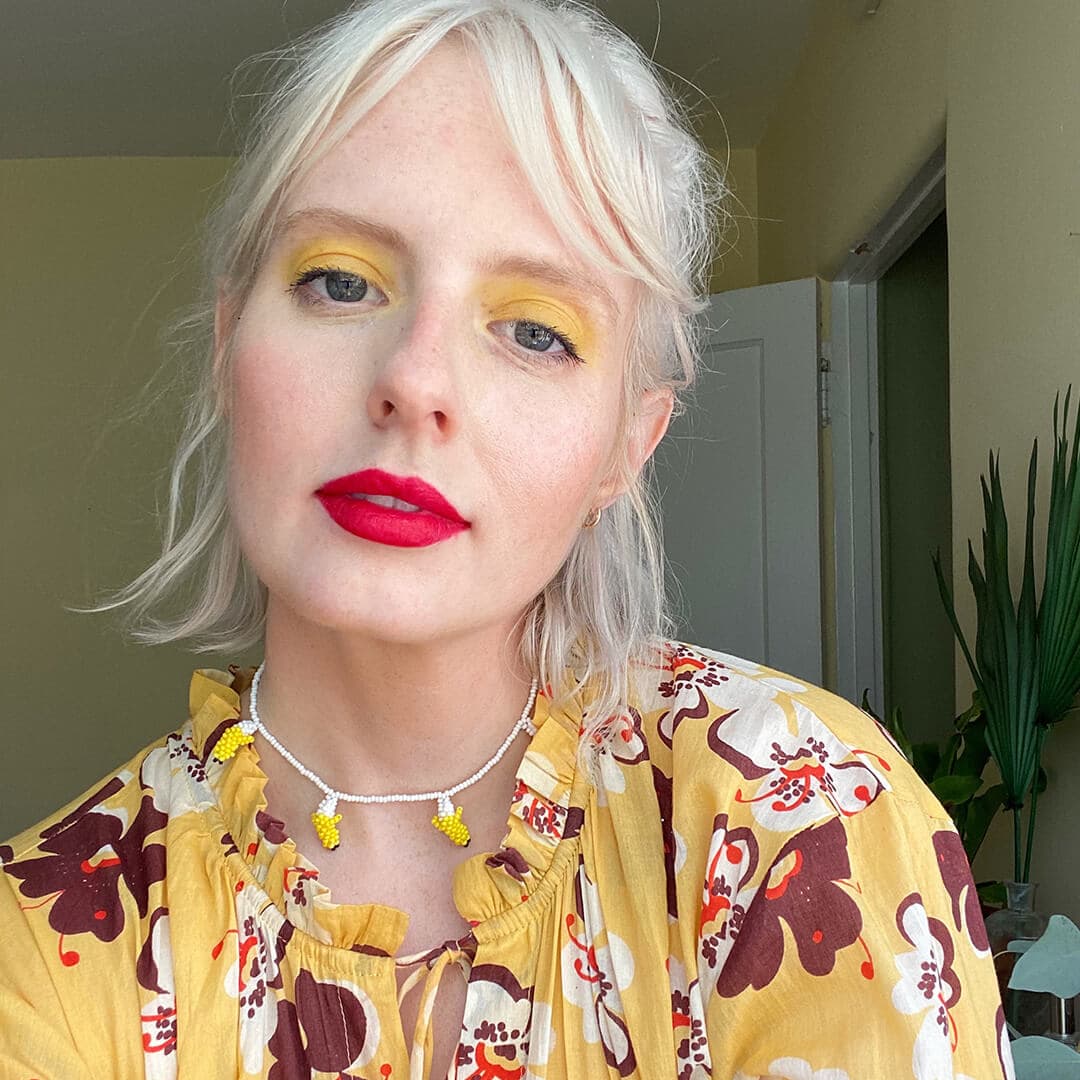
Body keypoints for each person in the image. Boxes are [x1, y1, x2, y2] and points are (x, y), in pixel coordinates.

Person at [0, 1, 1012, 1077]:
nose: (414, 381)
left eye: (536, 331)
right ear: (227, 344)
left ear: (629, 441)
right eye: (341, 281)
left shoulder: (801, 819)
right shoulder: (46, 933)